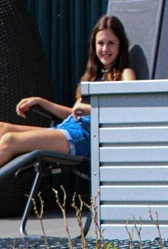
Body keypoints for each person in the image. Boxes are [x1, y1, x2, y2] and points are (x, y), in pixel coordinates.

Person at [0, 14, 136, 168]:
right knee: (2, 128)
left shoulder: (125, 73)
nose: (105, 49)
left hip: (84, 137)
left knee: (10, 140)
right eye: (100, 43)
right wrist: (41, 101)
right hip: (67, 129)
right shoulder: (92, 76)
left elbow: (128, 110)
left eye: (111, 43)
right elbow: (74, 112)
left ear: (120, 46)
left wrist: (91, 110)